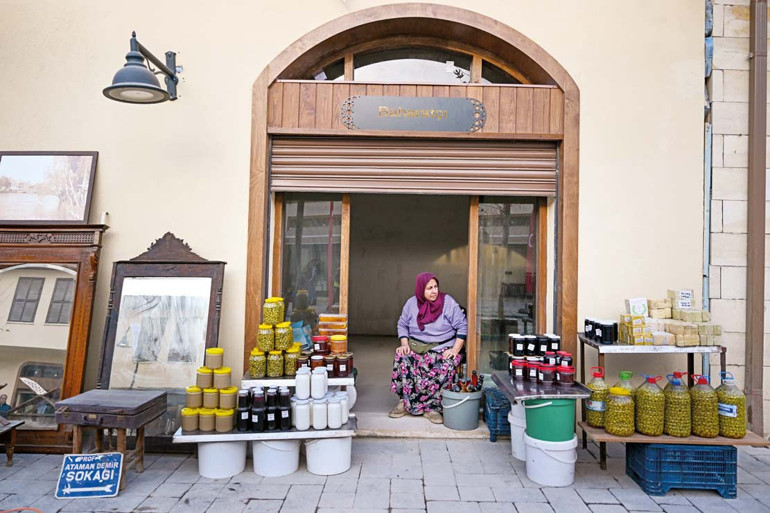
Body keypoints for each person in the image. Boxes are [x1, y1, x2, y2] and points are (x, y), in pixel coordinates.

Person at [390, 272, 467, 424]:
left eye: (436, 287)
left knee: (448, 363)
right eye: (429, 288)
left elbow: (462, 326)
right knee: (402, 357)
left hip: (441, 348)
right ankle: (405, 402)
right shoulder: (411, 303)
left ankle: (433, 407)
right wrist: (404, 344)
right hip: (416, 346)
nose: (434, 291)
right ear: (421, 289)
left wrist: (454, 350)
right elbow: (402, 324)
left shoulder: (448, 302)